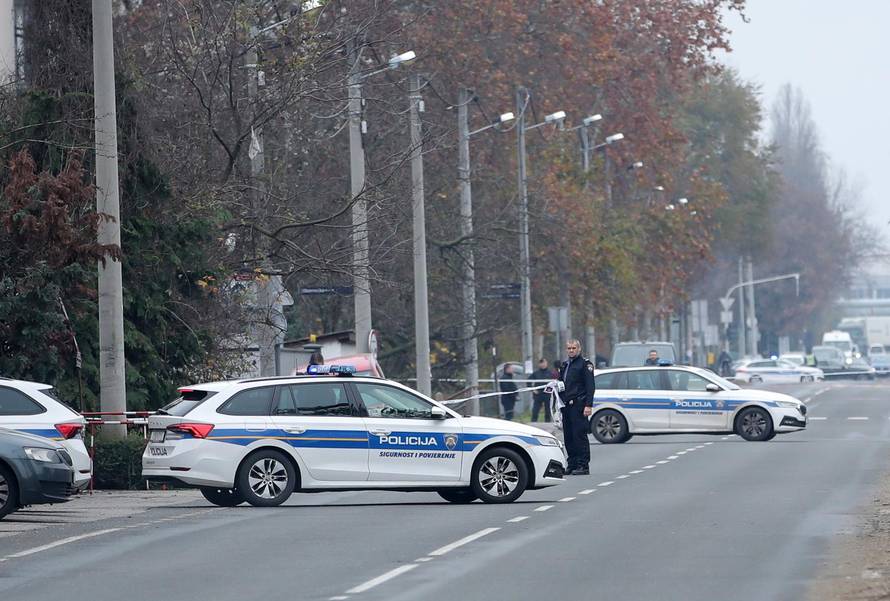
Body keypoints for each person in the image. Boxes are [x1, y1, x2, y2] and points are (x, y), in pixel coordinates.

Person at [558, 339, 595, 475]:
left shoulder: (585, 364)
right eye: (569, 348)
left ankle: (583, 465)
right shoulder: (565, 365)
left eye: (574, 348)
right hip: (566, 405)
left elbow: (590, 386)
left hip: (579, 404)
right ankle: (572, 463)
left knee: (579, 435)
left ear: (579, 349)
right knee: (568, 436)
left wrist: (588, 405)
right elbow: (561, 384)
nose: (571, 350)